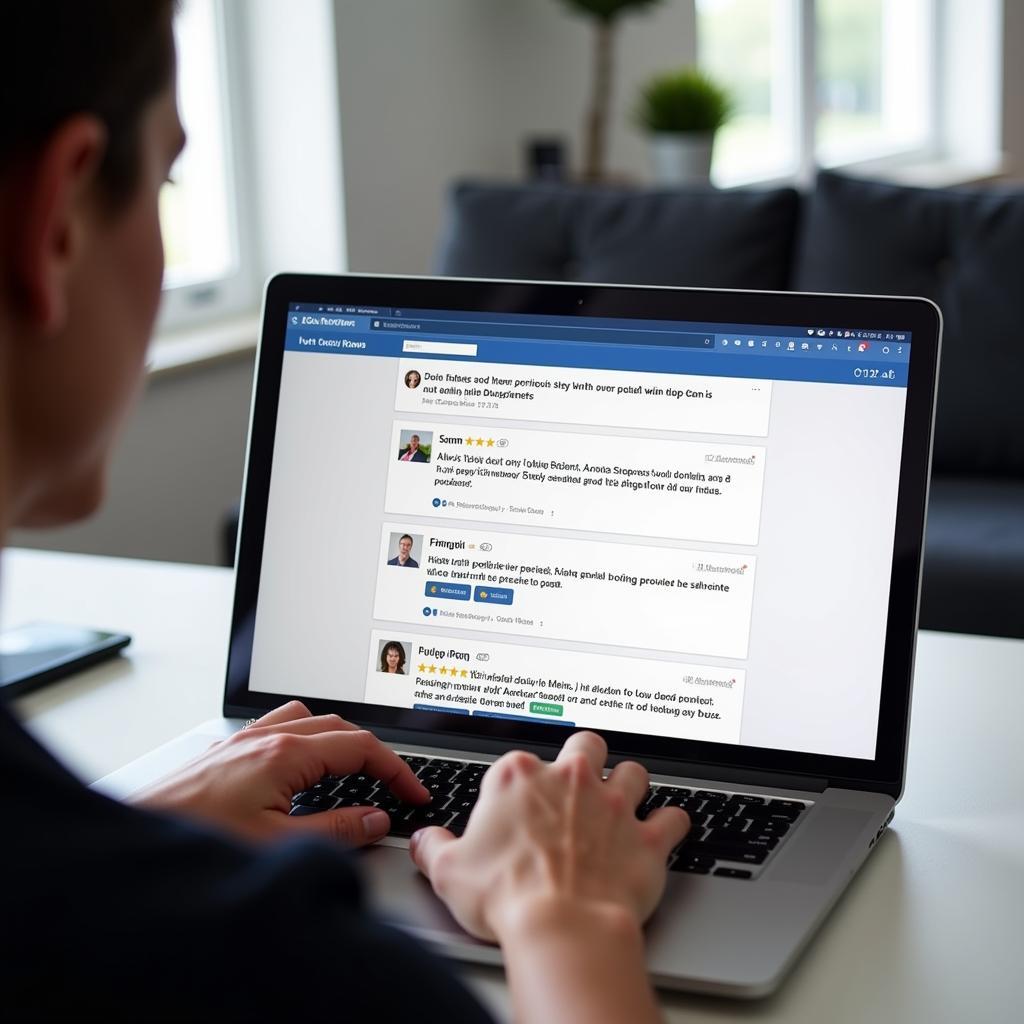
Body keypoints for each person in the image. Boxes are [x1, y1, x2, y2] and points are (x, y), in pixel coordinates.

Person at [0, 4, 689, 1021]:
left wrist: (137, 833)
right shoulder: (288, 969)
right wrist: (566, 914)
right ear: (55, 216)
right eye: (167, 180)